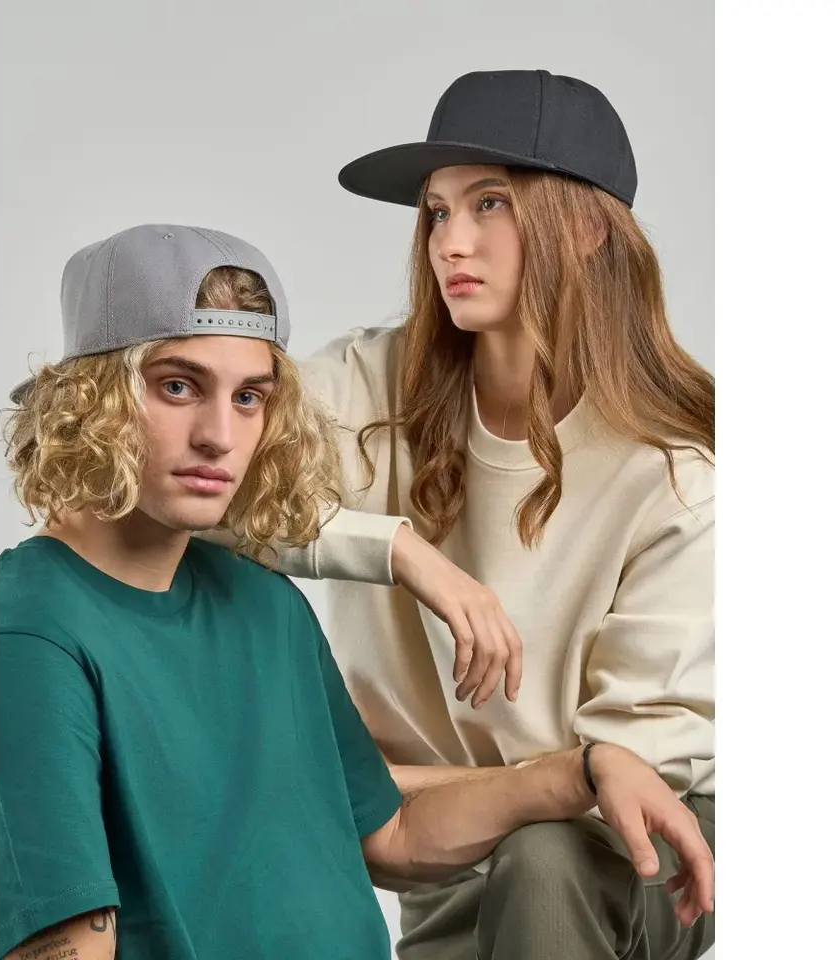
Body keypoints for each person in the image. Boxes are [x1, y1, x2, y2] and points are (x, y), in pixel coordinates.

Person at [0, 224, 713, 960]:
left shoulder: (264, 604)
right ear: (88, 399)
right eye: (177, 386)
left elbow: (390, 832)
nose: (219, 435)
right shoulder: (30, 632)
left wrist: (580, 772)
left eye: (250, 397)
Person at [203, 70, 716, 959]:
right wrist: (399, 551)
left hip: (633, 858)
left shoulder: (674, 480)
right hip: (439, 854)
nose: (451, 242)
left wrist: (368, 786)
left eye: (490, 204)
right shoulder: (373, 386)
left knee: (543, 859)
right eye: (437, 212)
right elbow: (186, 482)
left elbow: (618, 777)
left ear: (588, 227)